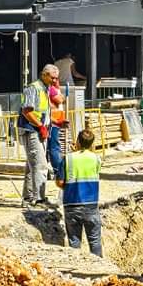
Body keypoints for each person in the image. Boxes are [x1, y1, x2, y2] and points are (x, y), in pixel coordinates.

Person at [56, 128, 103, 257]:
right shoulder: (96, 159)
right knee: (95, 241)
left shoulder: (68, 158)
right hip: (91, 205)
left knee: (74, 242)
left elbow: (60, 182)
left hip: (71, 205)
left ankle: (76, 267)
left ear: (77, 141)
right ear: (92, 144)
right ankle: (99, 266)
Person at [18, 64, 58, 207]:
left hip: (39, 130)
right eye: (52, 78)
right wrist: (40, 126)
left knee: (32, 166)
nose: (55, 81)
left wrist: (55, 122)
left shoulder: (45, 89)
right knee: (40, 165)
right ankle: (39, 199)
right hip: (31, 131)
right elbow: (26, 112)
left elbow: (42, 113)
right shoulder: (33, 88)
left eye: (56, 78)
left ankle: (28, 198)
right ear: (44, 75)